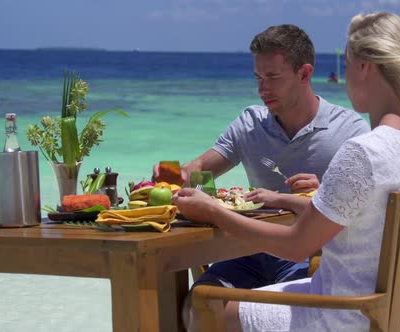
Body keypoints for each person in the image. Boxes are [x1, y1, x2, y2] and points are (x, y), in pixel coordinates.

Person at [173, 11, 400, 331]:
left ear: (364, 67)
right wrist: (285, 200)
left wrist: (214, 211)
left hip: (340, 314)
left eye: (349, 64)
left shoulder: (363, 151)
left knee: (204, 306)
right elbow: (364, 214)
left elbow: (296, 246)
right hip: (390, 309)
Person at [153, 24, 370, 329]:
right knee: (196, 308)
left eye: (273, 78)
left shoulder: (349, 131)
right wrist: (179, 176)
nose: (262, 89)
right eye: (258, 78)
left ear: (304, 74)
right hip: (247, 251)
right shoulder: (250, 124)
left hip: (312, 259)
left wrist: (325, 190)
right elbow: (202, 172)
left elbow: (364, 214)